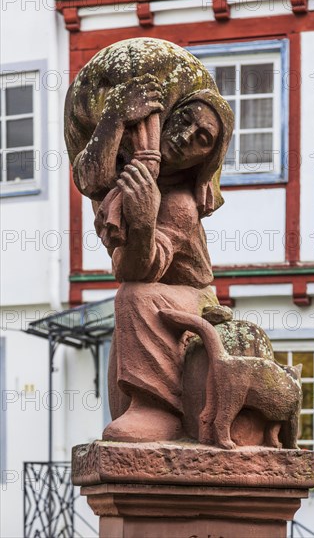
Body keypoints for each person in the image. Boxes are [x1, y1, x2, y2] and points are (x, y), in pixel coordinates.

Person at [64, 39, 234, 441]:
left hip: (188, 296)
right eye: (185, 120)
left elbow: (144, 268)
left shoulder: (179, 202)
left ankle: (158, 411)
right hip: (158, 299)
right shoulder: (134, 178)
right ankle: (138, 408)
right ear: (168, 115)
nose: (188, 136)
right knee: (132, 301)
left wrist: (142, 222)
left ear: (206, 159)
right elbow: (91, 183)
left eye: (203, 138)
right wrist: (115, 120)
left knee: (136, 296)